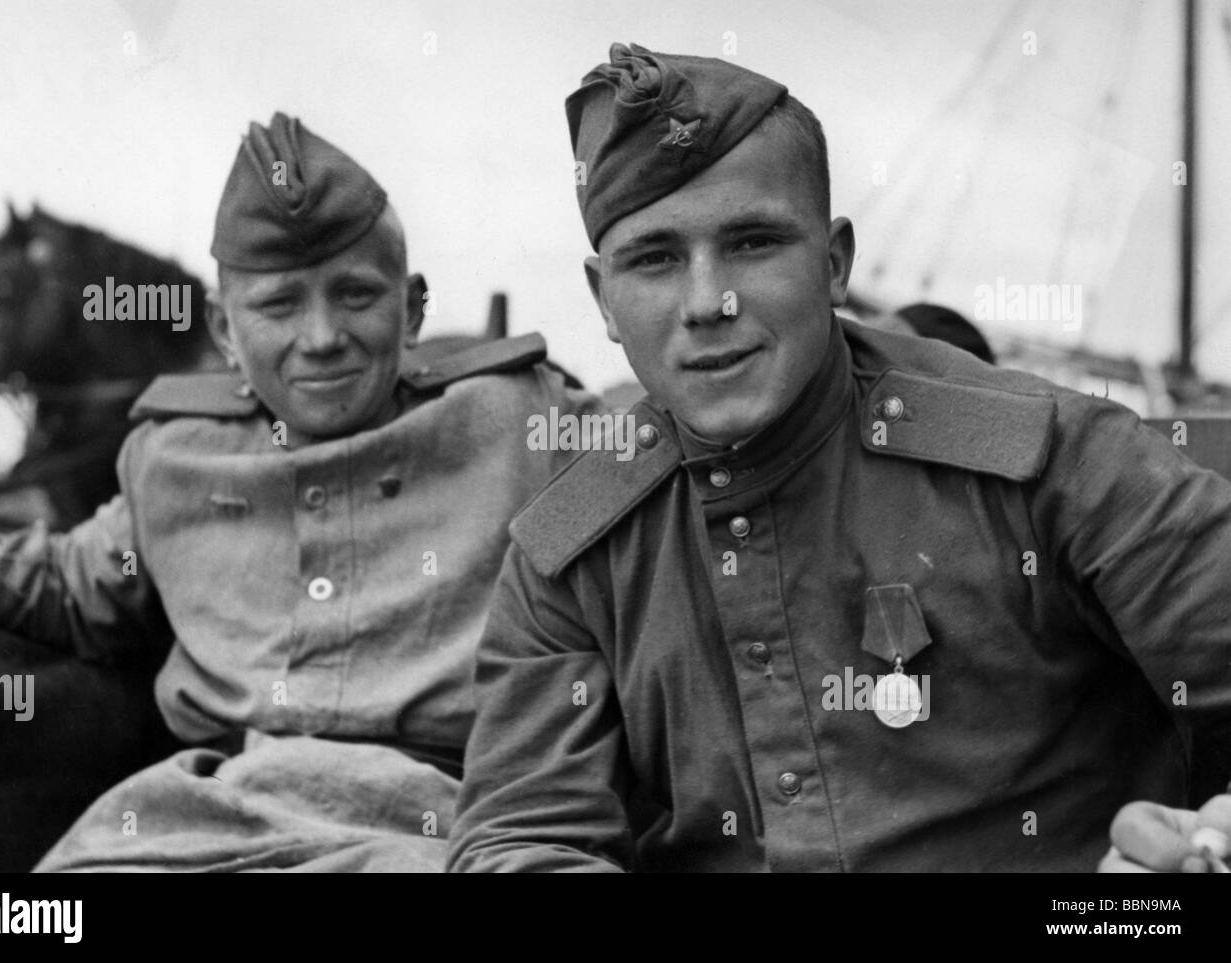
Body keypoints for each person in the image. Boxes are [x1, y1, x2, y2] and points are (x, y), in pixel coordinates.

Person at [446, 44, 1231, 872]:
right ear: (602, 298)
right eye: (655, 259)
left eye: (752, 243)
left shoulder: (1055, 462)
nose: (708, 301)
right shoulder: (572, 550)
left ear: (834, 263)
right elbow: (521, 834)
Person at [0, 112, 596, 871]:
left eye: (354, 295)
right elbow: (63, 579)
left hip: (446, 829)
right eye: (279, 305)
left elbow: (673, 469)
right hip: (198, 825)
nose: (320, 337)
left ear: (411, 309)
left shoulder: (523, 422)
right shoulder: (175, 459)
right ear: (223, 329)